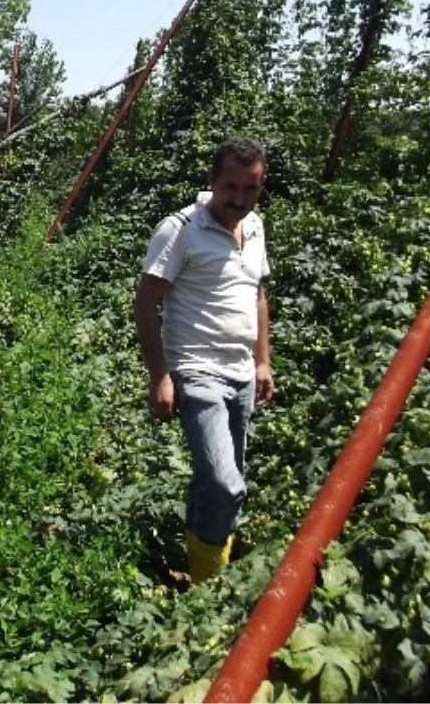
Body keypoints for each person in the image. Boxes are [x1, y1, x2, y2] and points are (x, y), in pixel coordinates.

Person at [134, 138, 274, 583]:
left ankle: (197, 573)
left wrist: (263, 361)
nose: (238, 199)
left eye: (249, 190)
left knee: (217, 479)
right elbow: (145, 304)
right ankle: (212, 585)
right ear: (211, 179)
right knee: (224, 484)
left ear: (260, 185)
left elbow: (258, 295)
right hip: (196, 371)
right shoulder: (180, 230)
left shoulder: (254, 227)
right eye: (229, 187)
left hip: (241, 374)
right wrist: (160, 376)